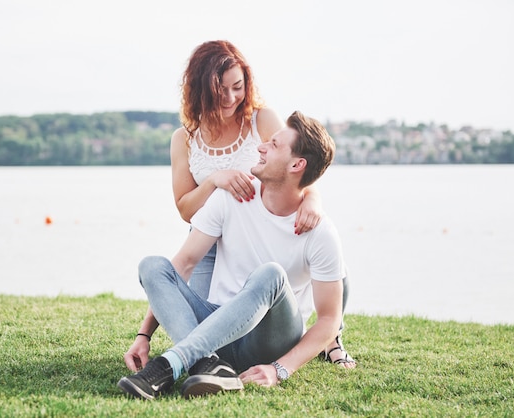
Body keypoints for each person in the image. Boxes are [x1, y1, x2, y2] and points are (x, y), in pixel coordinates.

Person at [118, 111, 356, 400]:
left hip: (271, 339)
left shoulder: (320, 232)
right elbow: (183, 264)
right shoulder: (232, 196)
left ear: (297, 164)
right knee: (153, 266)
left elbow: (329, 320)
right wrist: (144, 335)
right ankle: (209, 364)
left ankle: (171, 364)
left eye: (274, 145)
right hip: (220, 335)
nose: (261, 147)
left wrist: (280, 369)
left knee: (271, 274)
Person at [170, 40, 323, 300]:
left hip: (257, 237)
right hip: (208, 245)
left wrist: (312, 201)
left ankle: (331, 337)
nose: (230, 98)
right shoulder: (183, 139)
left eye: (237, 87)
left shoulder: (261, 120)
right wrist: (214, 181)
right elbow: (186, 210)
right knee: (203, 321)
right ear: (200, 91)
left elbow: (297, 168)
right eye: (220, 90)